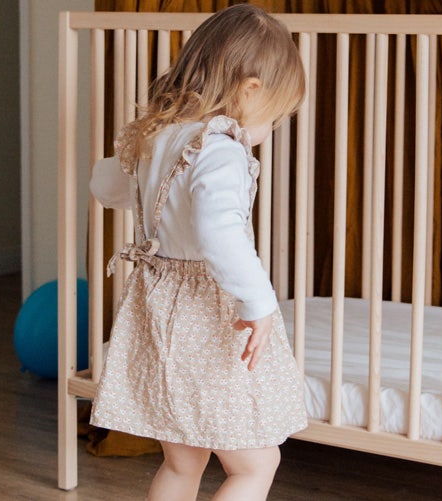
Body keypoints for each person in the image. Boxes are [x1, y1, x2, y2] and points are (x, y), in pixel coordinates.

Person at [88, 5, 307, 500]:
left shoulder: (156, 138)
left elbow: (103, 184)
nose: (268, 131)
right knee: (256, 463)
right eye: (273, 117)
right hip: (207, 322)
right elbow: (220, 233)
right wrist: (259, 303)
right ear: (250, 90)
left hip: (157, 307)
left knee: (183, 463)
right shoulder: (221, 150)